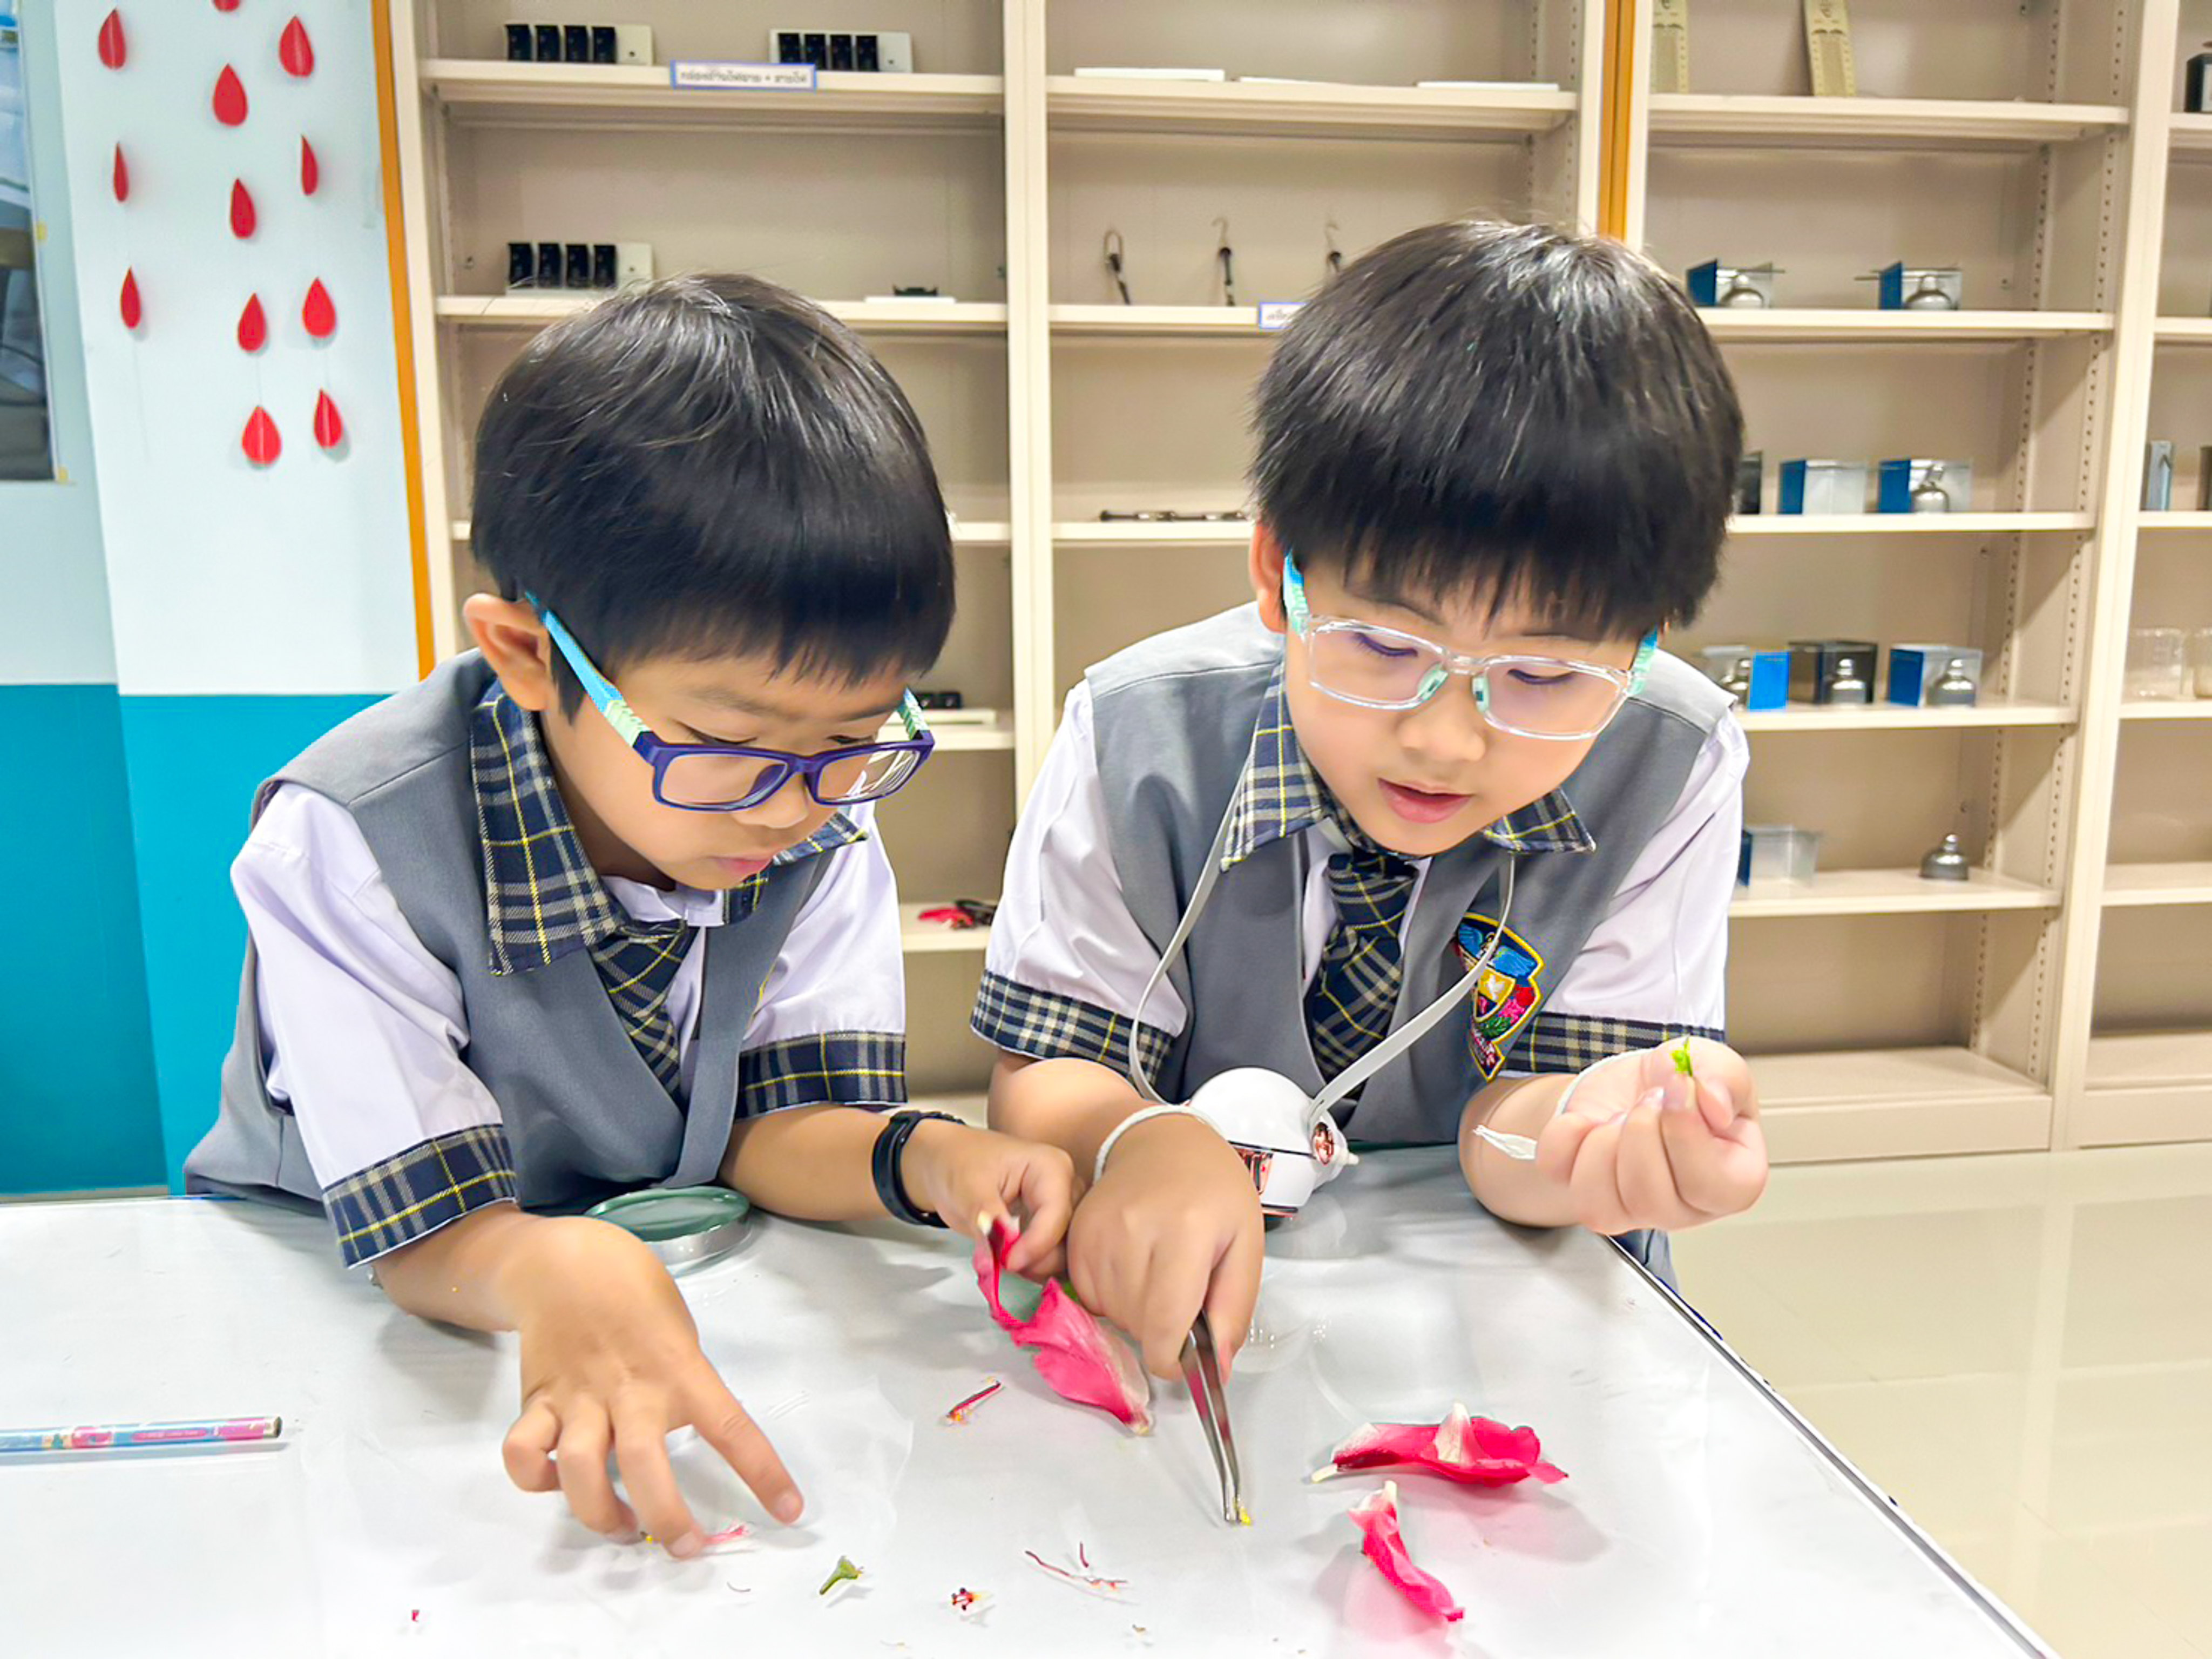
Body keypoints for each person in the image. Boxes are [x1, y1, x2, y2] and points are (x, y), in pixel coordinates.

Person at [187, 275, 1075, 1557]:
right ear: (526, 654)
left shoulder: (809, 806)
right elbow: (420, 1238)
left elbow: (775, 1126)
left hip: (644, 1290)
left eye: (851, 738)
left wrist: (925, 1159)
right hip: (355, 1315)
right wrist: (552, 1264)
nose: (794, 804)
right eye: (728, 744)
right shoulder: (352, 843)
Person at [975, 220, 1765, 1383]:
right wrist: (1134, 1135)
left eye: (1544, 675)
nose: (1445, 740)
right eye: (1385, 647)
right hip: (1187, 1302)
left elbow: (1517, 1124)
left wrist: (1587, 1143)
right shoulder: (1140, 732)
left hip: (1510, 1313)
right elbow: (1047, 1069)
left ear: (1643, 646)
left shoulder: (1670, 758)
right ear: (1277, 573)